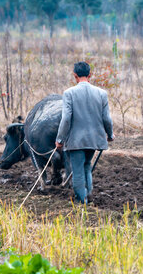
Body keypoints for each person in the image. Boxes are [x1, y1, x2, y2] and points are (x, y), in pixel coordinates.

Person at [56, 61, 114, 204]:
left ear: (75, 75)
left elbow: (66, 119)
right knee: (87, 165)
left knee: (77, 171)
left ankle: (82, 201)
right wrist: (110, 134)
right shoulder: (102, 93)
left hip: (76, 141)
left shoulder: (69, 93)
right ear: (90, 75)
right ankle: (88, 194)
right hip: (94, 140)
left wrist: (60, 139)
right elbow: (107, 118)